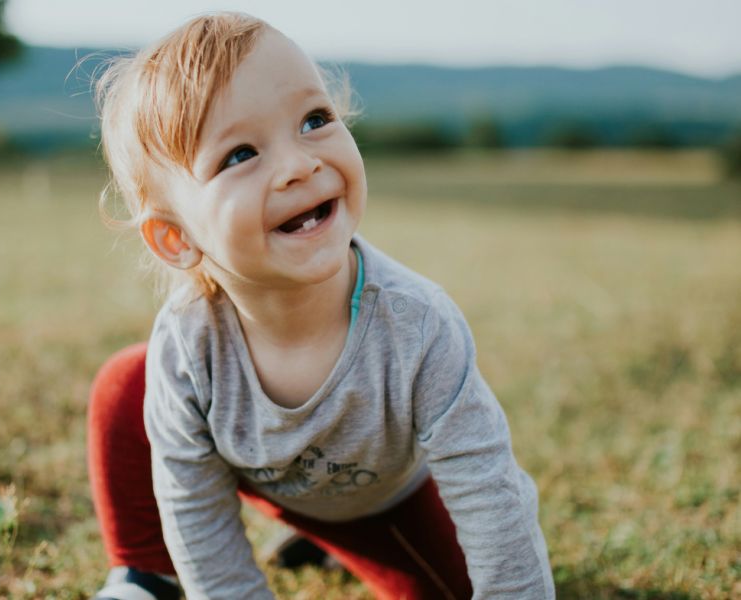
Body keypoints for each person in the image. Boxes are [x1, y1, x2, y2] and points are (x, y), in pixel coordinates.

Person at [87, 12, 555, 600]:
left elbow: (490, 495)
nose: (299, 164)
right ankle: (142, 575)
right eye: (239, 155)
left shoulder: (418, 327)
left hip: (382, 503)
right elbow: (195, 512)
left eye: (314, 120)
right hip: (264, 480)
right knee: (127, 381)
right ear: (176, 239)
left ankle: (335, 544)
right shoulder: (189, 343)